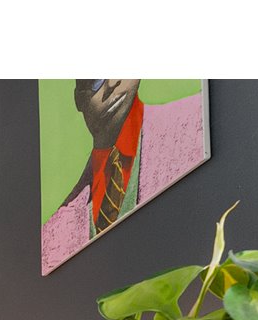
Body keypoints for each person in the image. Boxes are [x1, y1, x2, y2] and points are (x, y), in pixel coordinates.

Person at [42, 80, 209, 272]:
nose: (112, 83)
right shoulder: (55, 235)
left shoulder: (194, 124)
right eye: (96, 81)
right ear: (79, 99)